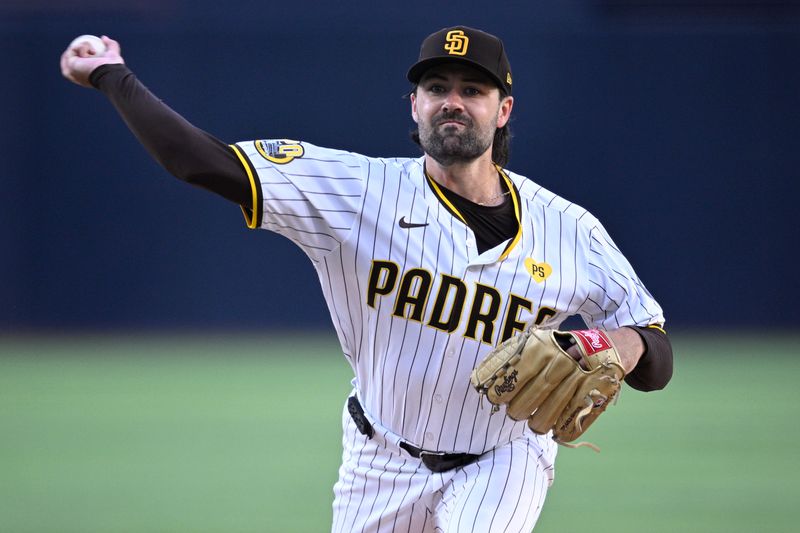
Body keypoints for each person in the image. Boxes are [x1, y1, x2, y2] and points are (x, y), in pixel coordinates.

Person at [61, 26, 673, 532]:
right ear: (415, 104)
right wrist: (113, 73)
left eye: (472, 89)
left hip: (503, 457)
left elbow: (656, 355)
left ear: (503, 109)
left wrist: (612, 344)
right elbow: (196, 161)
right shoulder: (355, 191)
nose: (452, 100)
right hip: (379, 458)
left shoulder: (571, 230)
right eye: (436, 87)